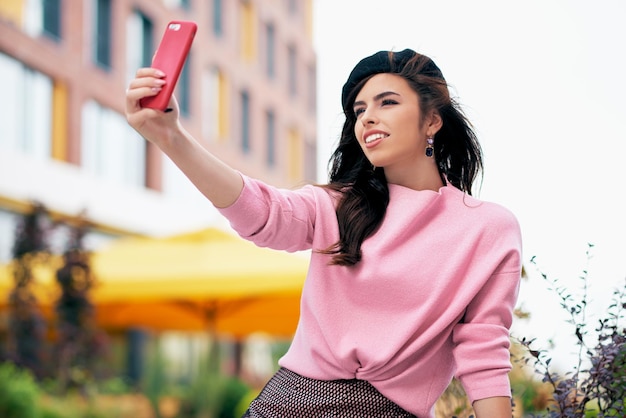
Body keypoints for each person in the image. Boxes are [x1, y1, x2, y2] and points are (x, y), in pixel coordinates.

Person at [126, 48, 522, 418]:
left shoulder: (487, 229)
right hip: (289, 401)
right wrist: (171, 137)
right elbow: (260, 212)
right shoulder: (335, 205)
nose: (367, 117)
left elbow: (483, 349)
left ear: (432, 119)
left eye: (387, 102)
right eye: (359, 109)